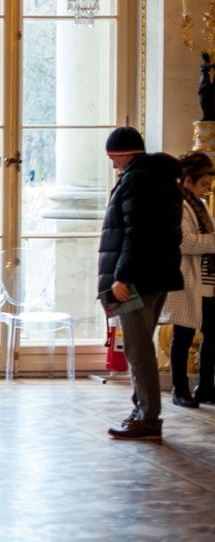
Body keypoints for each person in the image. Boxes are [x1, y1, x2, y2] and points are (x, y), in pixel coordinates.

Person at [98, 126, 183, 439]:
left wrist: (122, 276)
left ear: (123, 153)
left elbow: (136, 233)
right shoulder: (163, 178)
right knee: (140, 345)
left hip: (137, 279)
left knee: (137, 349)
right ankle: (141, 411)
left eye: (113, 158)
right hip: (156, 275)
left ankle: (147, 418)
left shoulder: (136, 179)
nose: (112, 165)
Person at [161, 152, 215, 407]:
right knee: (182, 335)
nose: (206, 190)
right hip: (187, 277)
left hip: (206, 280)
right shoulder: (178, 204)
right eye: (203, 183)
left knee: (212, 334)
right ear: (188, 179)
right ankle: (179, 389)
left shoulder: (199, 205)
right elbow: (184, 241)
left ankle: (206, 386)